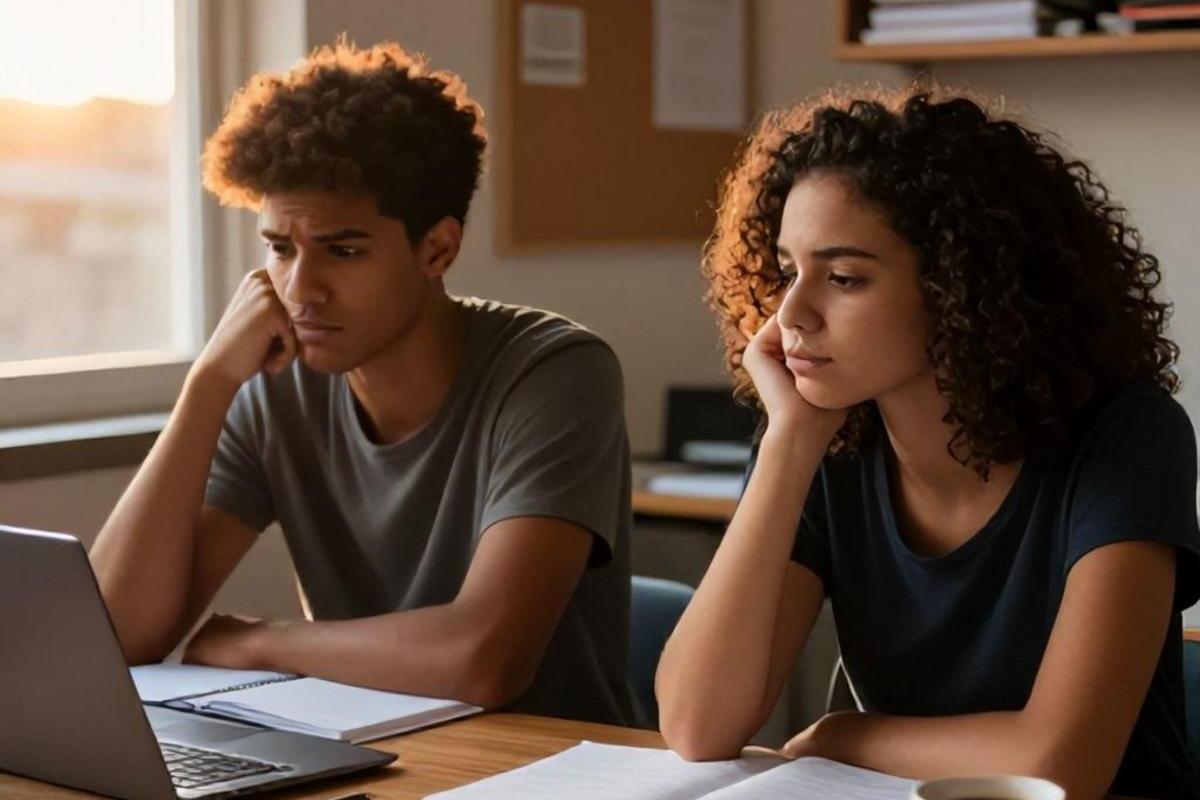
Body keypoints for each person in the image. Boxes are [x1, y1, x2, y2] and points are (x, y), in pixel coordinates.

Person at [655, 88, 1200, 799]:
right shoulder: (824, 436)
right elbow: (697, 726)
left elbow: (1060, 766)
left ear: (959, 288)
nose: (791, 314)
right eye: (789, 272)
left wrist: (837, 736)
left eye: (844, 278)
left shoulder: (1127, 437)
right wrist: (789, 442)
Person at [90, 40, 633, 726]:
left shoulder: (554, 372)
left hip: (550, 763)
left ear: (437, 249)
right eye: (279, 249)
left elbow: (485, 659)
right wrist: (207, 385)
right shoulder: (276, 389)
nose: (299, 290)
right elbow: (113, 636)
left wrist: (264, 642)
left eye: (342, 251)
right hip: (375, 756)